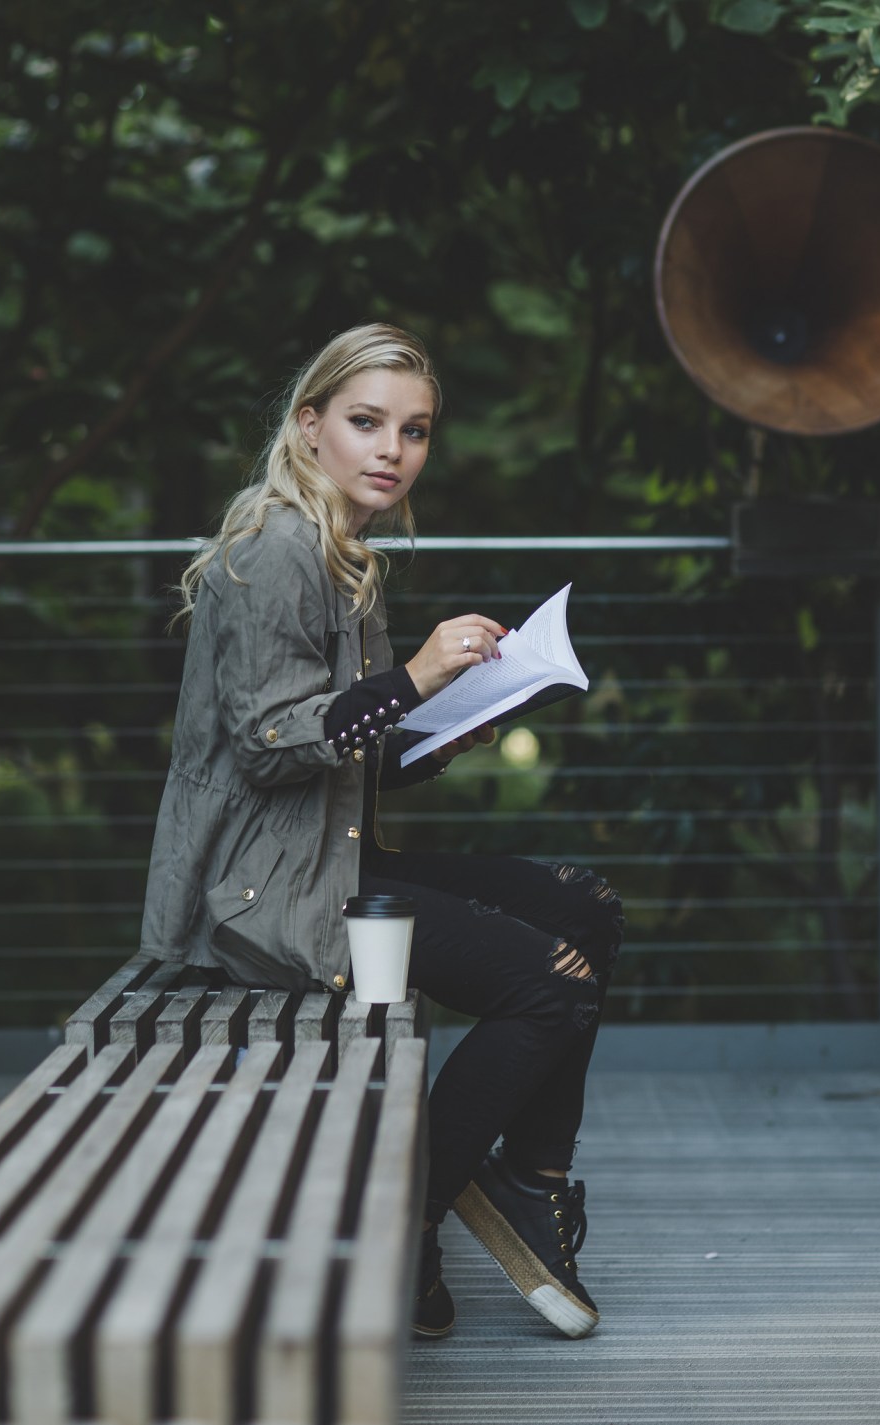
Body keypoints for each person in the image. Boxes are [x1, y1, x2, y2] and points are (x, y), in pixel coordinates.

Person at [140, 323, 624, 1340]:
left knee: (583, 905)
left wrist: (460, 719)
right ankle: (408, 1219)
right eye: (366, 422)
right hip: (264, 897)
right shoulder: (274, 548)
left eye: (414, 430)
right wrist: (417, 678)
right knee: (548, 980)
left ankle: (530, 1185)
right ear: (309, 425)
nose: (392, 449)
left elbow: (351, 759)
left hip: (329, 860)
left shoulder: (339, 553)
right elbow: (273, 745)